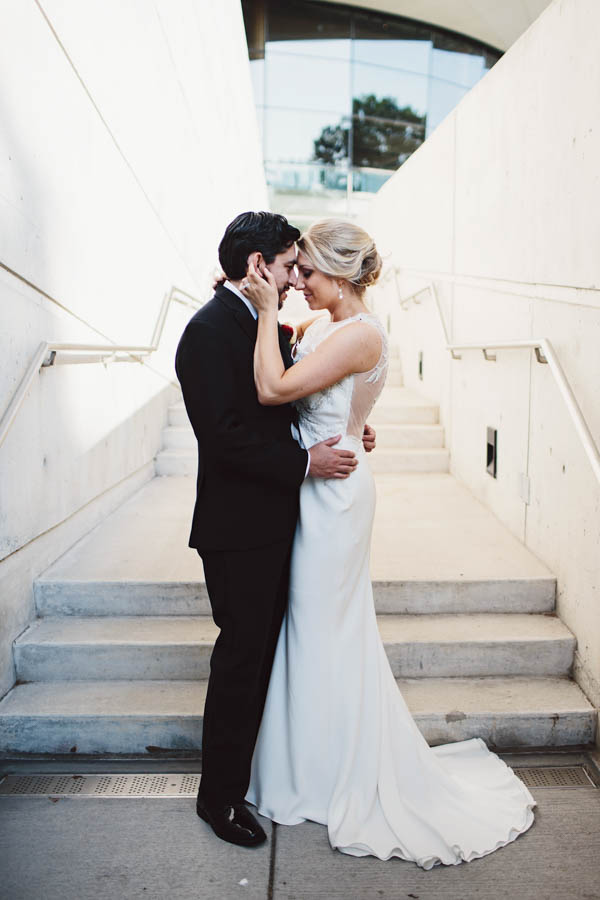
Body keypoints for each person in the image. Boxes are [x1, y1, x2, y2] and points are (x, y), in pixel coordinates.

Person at [241, 217, 537, 869]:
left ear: (340, 274)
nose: (298, 284)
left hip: (335, 494)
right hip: (321, 478)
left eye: (308, 273)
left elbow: (273, 389)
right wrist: (351, 426)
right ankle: (311, 762)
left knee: (326, 628)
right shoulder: (329, 329)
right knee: (315, 627)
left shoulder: (362, 333)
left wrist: (266, 313)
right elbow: (331, 408)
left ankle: (329, 772)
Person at [174, 211, 376, 848]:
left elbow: (297, 396)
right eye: (290, 265)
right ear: (259, 266)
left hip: (280, 518)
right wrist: (306, 461)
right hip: (239, 528)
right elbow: (225, 440)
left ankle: (265, 773)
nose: (296, 279)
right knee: (242, 658)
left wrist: (344, 427)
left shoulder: (253, 320)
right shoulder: (206, 332)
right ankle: (220, 799)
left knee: (263, 655)